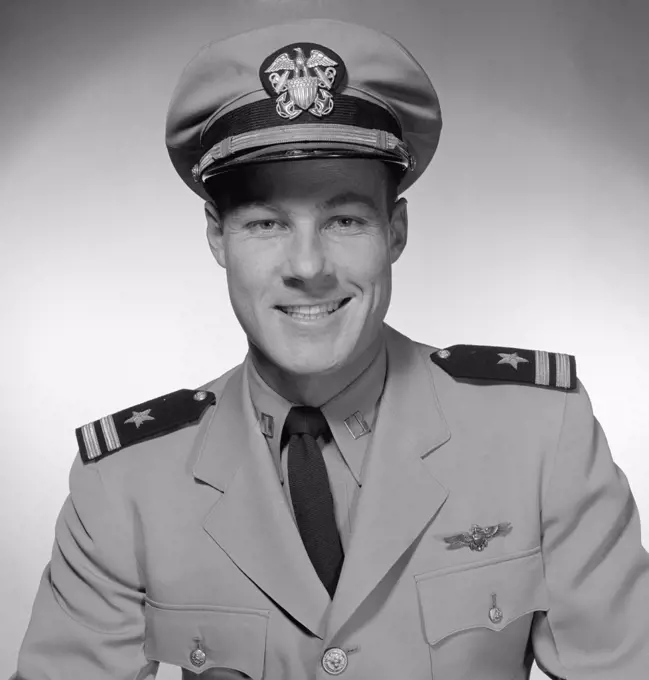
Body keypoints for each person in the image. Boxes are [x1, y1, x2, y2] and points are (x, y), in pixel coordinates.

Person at [12, 18, 649, 680]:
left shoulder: (539, 435)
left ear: (394, 232)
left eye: (345, 219)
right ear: (216, 238)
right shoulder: (125, 484)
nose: (308, 265)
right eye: (265, 224)